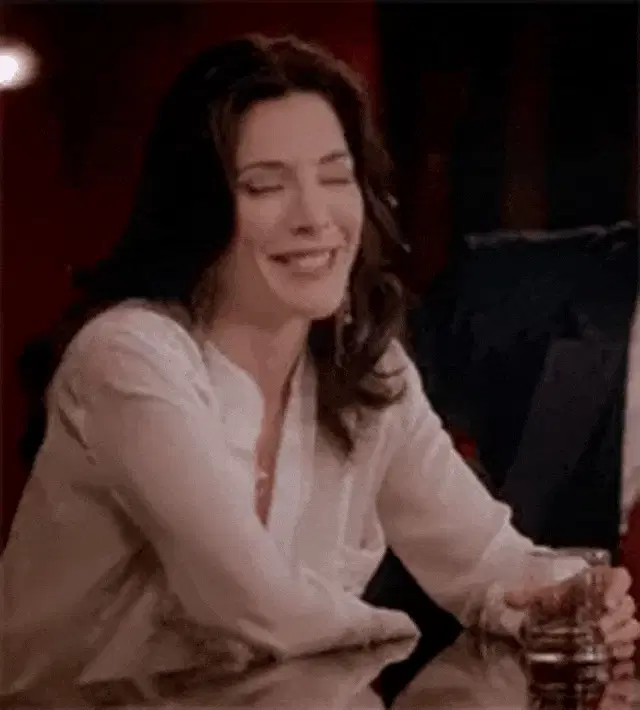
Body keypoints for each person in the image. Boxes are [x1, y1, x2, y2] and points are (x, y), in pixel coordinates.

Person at [2, 34, 637, 694]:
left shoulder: (367, 367)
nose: (315, 217)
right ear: (198, 206)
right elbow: (255, 607)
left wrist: (570, 597)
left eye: (336, 178)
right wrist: (408, 638)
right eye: (265, 186)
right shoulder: (127, 356)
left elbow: (484, 559)